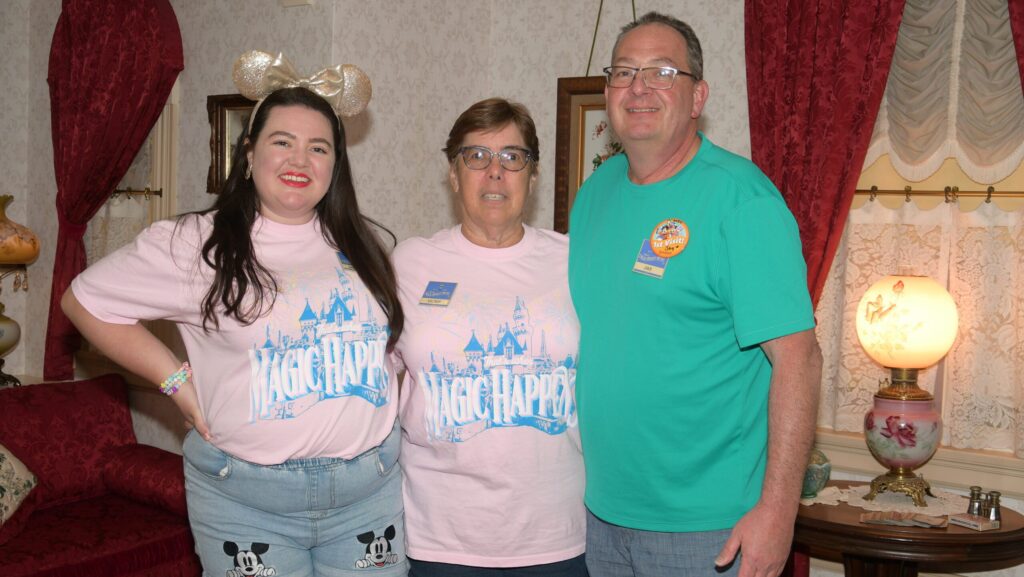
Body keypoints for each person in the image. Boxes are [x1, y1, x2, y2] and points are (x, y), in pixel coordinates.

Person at [62, 53, 409, 577]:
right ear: (248, 153)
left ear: (336, 163)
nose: (300, 159)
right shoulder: (193, 245)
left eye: (319, 147)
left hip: (368, 493)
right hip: (246, 503)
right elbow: (84, 302)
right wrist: (175, 380)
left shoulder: (367, 243)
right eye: (281, 142)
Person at [568, 12, 823, 577]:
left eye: (661, 71)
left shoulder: (742, 201)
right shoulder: (594, 194)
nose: (638, 87)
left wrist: (778, 514)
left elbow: (799, 360)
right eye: (624, 72)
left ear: (697, 95)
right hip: (601, 517)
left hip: (709, 530)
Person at [392, 98, 586, 577]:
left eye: (512, 157)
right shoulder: (409, 264)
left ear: (533, 175)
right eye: (476, 156)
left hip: (556, 534)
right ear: (453, 174)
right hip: (439, 537)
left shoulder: (576, 261)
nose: (495, 172)